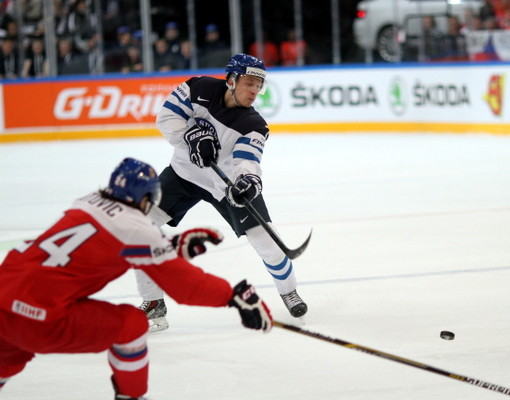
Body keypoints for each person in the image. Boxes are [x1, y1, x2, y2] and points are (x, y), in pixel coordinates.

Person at [0, 157, 272, 400]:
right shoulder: (135, 227)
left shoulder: (86, 202)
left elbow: (109, 245)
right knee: (131, 325)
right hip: (39, 317)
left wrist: (173, 245)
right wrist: (232, 296)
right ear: (146, 199)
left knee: (9, 356)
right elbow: (184, 287)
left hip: (4, 299)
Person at [135, 53, 308, 332]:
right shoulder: (198, 88)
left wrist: (248, 181)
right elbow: (166, 118)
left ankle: (289, 291)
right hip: (183, 175)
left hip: (224, 185)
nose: (254, 91)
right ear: (231, 80)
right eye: (249, 83)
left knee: (267, 243)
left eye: (259, 85)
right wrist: (190, 136)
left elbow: (247, 160)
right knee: (139, 228)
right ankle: (153, 302)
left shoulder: (254, 124)